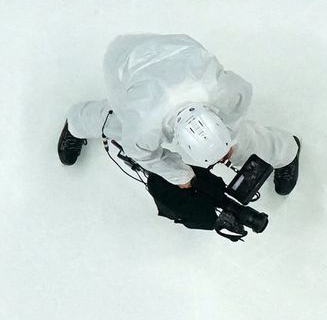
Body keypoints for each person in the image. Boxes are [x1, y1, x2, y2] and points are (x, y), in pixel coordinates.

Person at [60, 33, 302, 238]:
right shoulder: (143, 125)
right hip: (126, 64)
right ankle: (76, 123)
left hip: (176, 56)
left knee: (244, 142)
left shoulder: (222, 91)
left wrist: (230, 134)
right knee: (115, 121)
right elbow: (144, 156)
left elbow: (243, 95)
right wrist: (180, 175)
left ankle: (287, 151)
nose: (223, 161)